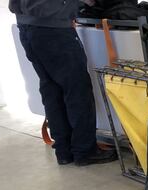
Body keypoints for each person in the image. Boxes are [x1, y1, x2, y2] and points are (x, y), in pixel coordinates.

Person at [9, 0, 117, 166]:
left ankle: (64, 150)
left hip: (27, 27)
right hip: (54, 30)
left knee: (51, 89)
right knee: (77, 89)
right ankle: (85, 150)